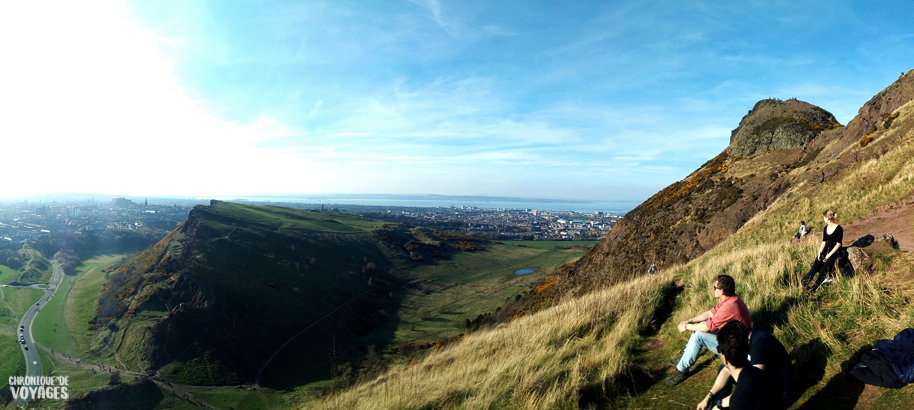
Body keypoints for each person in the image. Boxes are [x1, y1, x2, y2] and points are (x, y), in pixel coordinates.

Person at [665, 275, 752, 386]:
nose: (713, 289)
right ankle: (685, 356)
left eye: (715, 287)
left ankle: (681, 371)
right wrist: (690, 321)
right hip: (734, 337)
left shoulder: (729, 306)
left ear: (722, 291)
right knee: (699, 326)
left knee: (699, 335)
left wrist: (686, 327)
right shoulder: (731, 298)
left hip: (738, 348)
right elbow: (710, 313)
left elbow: (706, 328)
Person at [697, 321, 794, 410]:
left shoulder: (760, 345)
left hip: (781, 393)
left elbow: (752, 388)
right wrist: (709, 397)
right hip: (764, 385)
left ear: (725, 358)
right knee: (725, 368)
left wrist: (721, 404)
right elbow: (728, 371)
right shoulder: (747, 340)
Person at [801, 210, 842, 291]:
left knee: (824, 269)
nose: (823, 219)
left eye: (824, 218)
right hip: (826, 250)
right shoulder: (825, 228)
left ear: (828, 218)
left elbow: (838, 244)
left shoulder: (838, 228)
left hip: (834, 252)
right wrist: (819, 252)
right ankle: (804, 283)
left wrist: (828, 256)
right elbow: (824, 242)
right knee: (816, 266)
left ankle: (814, 288)